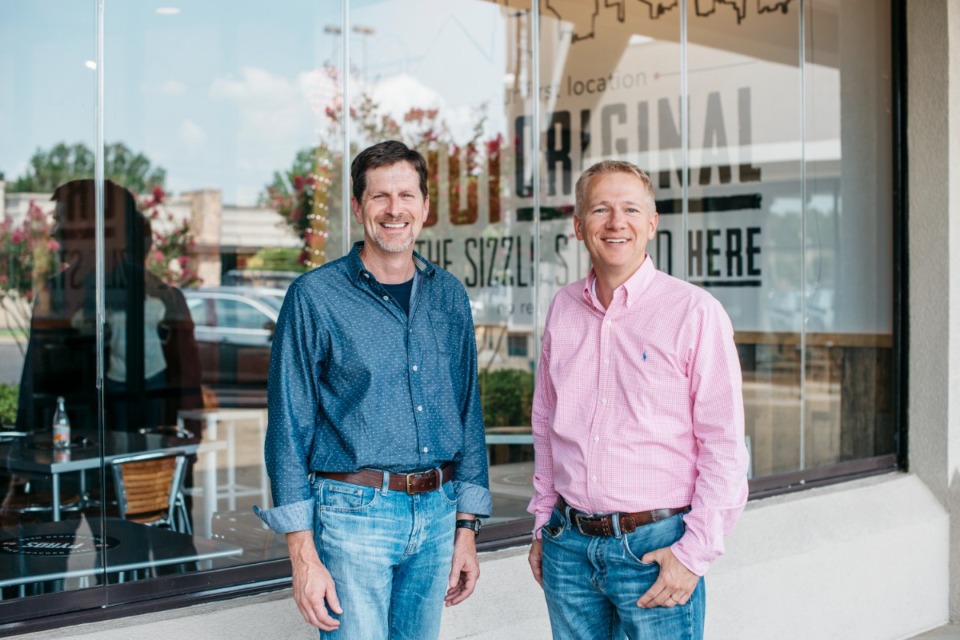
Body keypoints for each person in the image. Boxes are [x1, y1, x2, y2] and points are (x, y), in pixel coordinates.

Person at [254, 140, 491, 639]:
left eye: (406, 195)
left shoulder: (448, 295)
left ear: (425, 207)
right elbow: (288, 429)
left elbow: (468, 413)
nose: (394, 209)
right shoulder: (314, 297)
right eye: (380, 196)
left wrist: (466, 529)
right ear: (359, 208)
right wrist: (302, 554)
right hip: (352, 515)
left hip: (437, 514)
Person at [526, 160, 749, 640]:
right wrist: (544, 521)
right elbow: (545, 423)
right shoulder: (563, 309)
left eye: (630, 209)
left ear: (652, 223)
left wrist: (694, 554)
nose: (615, 222)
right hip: (569, 545)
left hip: (656, 549)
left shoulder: (695, 313)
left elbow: (725, 445)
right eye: (601, 209)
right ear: (579, 225)